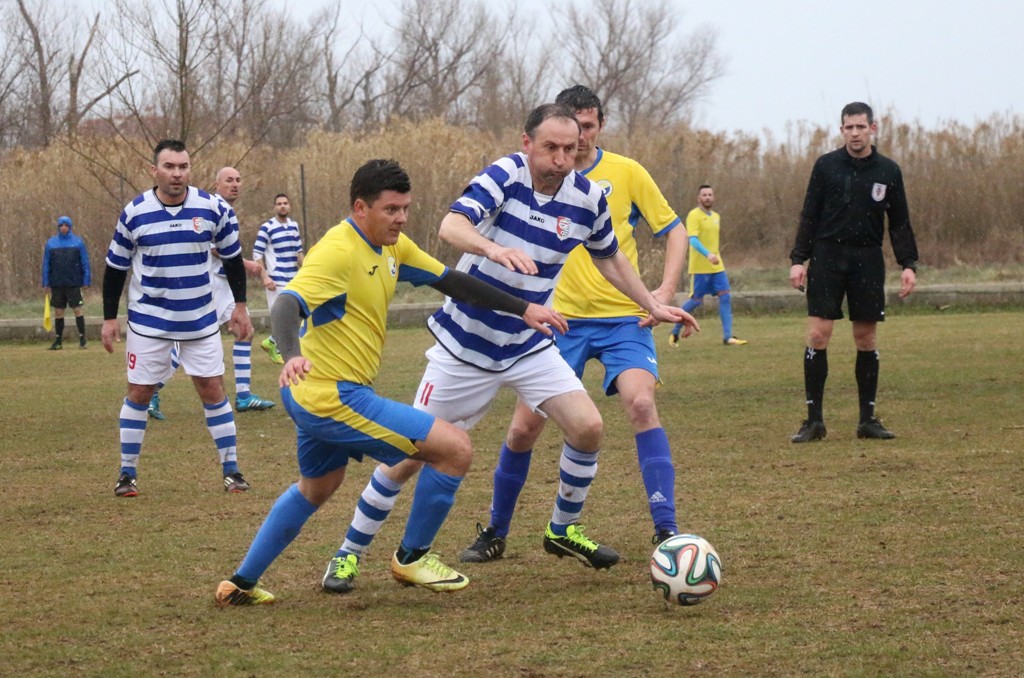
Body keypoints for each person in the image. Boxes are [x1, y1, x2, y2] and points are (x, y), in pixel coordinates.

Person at [319, 103, 695, 595]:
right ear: (527, 143)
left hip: (528, 343)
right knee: (408, 455)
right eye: (551, 147)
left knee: (588, 427)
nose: (562, 157)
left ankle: (562, 529)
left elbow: (611, 259)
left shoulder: (588, 197)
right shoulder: (505, 175)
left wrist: (652, 302)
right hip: (466, 346)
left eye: (570, 147)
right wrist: (492, 249)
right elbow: (450, 227)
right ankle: (349, 553)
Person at [214, 159, 569, 606]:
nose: (401, 218)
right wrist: (290, 356)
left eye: (405, 208)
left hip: (317, 395)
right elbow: (287, 303)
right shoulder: (338, 250)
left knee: (317, 487)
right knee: (454, 449)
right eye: (391, 210)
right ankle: (412, 556)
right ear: (360, 208)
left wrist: (524, 308)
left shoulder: (392, 247)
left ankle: (240, 584)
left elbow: (453, 281)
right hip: (330, 395)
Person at [101, 140, 255, 497]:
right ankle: (127, 474)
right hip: (149, 322)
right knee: (140, 392)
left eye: (183, 166)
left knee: (212, 389)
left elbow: (233, 259)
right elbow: (114, 268)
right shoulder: (135, 212)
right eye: (169, 167)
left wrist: (240, 306)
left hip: (200, 320)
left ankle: (232, 471)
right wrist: (110, 318)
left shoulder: (214, 208)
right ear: (154, 171)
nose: (177, 173)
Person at [788, 102, 919, 443]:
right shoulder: (826, 166)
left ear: (873, 129)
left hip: (867, 259)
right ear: (842, 129)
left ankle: (867, 420)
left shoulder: (888, 171)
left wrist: (908, 265)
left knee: (866, 338)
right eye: (849, 127)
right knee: (818, 335)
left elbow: (900, 222)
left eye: (861, 127)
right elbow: (809, 215)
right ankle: (814, 421)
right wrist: (798, 259)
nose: (855, 133)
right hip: (827, 256)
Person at [146, 167, 275, 420]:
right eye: (229, 180)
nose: (235, 184)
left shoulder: (225, 209)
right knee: (186, 343)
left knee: (245, 332)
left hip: (223, 284)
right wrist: (245, 263)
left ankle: (244, 395)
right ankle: (151, 391)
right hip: (209, 286)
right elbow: (214, 247)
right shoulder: (212, 207)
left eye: (238, 180)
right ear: (217, 184)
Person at [668, 184, 748, 347]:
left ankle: (728, 337)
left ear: (714, 197)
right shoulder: (694, 216)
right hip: (700, 267)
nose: (707, 197)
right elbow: (693, 240)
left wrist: (714, 256)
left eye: (710, 195)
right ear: (699, 198)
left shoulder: (716, 216)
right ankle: (675, 331)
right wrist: (708, 255)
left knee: (725, 296)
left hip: (717, 267)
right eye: (704, 195)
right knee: (696, 301)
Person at [253, 193, 304, 365]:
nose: (282, 206)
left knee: (297, 315)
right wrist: (265, 276)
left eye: (285, 203)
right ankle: (280, 349)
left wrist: (307, 271)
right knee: (281, 317)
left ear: (289, 206)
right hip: (276, 280)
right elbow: (256, 254)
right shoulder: (267, 227)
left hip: (294, 279)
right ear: (274, 207)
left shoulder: (294, 226)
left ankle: (272, 342)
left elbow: (299, 253)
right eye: (279, 204)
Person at [42, 215, 91, 350]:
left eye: (66, 226)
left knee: (77, 310)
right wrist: (46, 282)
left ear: (69, 227)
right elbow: (46, 263)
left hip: (73, 283)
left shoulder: (78, 242)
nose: (63, 228)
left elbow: (84, 262)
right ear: (58, 227)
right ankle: (58, 341)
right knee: (58, 312)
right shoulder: (51, 243)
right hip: (57, 283)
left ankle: (82, 339)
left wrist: (86, 279)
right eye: (61, 226)